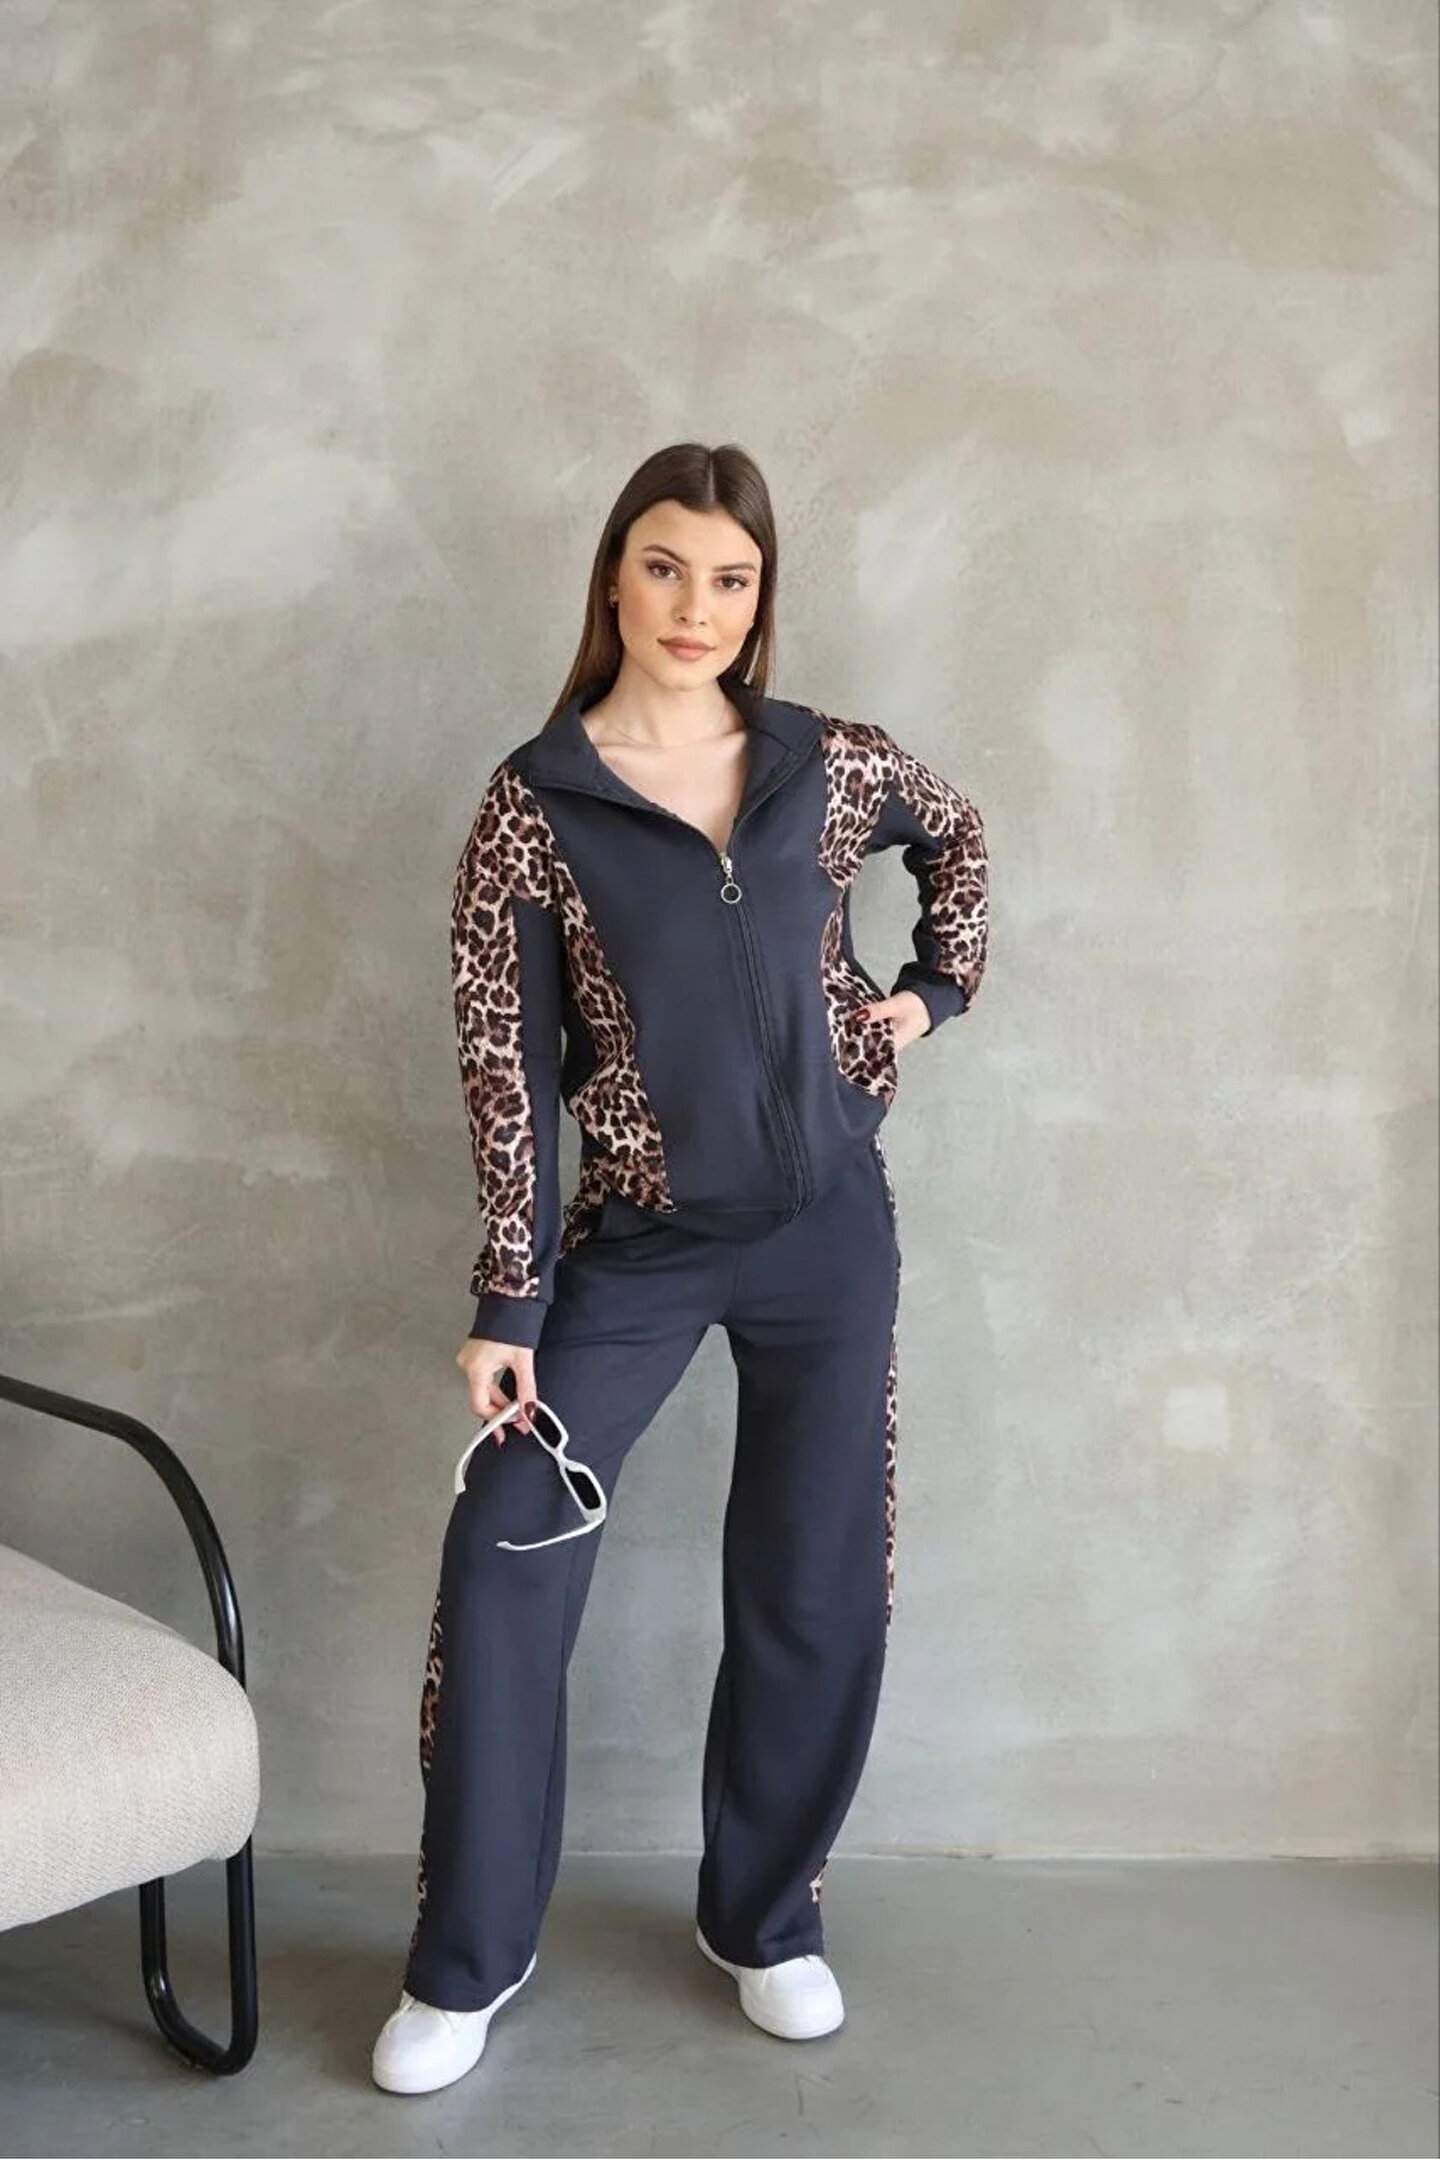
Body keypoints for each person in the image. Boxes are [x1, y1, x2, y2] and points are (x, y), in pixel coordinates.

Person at [371, 441, 989, 2095]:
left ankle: (767, 1920)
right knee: (505, 1552)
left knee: (814, 1578)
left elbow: (959, 840)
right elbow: (505, 1070)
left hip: (828, 1236)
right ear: (613, 577)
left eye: (730, 577)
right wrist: (510, 1300)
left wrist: (922, 1001)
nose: (694, 606)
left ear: (760, 595)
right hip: (636, 1249)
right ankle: (467, 1958)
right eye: (664, 567)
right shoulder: (535, 805)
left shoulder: (824, 765)